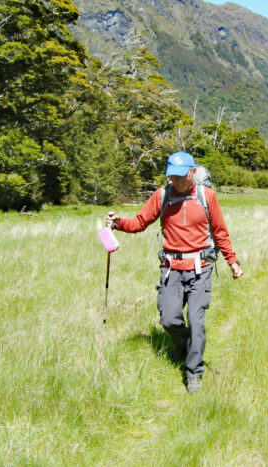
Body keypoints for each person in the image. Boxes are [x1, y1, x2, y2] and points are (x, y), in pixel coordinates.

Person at [106, 151, 244, 394]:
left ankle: (193, 372)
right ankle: (186, 345)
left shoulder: (206, 196)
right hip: (171, 269)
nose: (177, 182)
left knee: (197, 321)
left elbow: (220, 232)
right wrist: (118, 223)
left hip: (200, 269)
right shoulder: (162, 196)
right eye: (173, 177)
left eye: (182, 176)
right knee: (169, 319)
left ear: (192, 172)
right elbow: (139, 222)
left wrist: (232, 262)